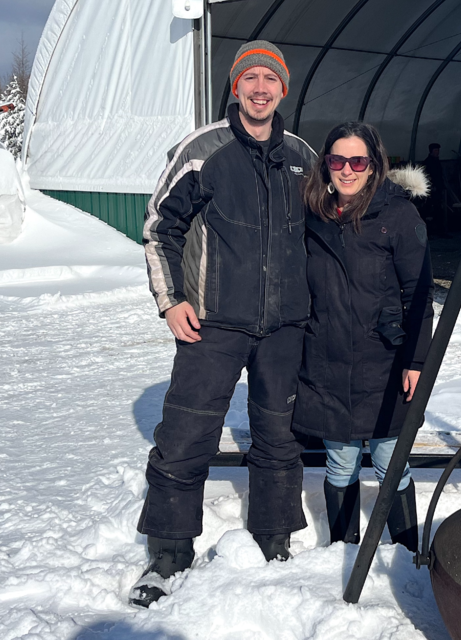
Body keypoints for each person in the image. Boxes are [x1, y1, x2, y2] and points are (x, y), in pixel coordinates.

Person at [132, 41, 316, 607]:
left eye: (271, 79)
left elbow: (327, 234)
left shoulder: (302, 155)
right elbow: (161, 227)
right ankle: (168, 552)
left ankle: (274, 536)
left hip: (285, 325)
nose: (261, 88)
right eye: (250, 78)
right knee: (186, 434)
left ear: (284, 89)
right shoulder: (202, 150)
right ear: (236, 87)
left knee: (279, 435)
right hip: (212, 322)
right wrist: (171, 301)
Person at [294, 122, 434, 551]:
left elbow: (420, 294)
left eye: (358, 161)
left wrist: (416, 360)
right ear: (326, 165)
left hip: (385, 360)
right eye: (338, 160)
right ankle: (343, 549)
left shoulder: (398, 215)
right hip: (328, 359)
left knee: (392, 459)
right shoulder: (312, 214)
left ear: (374, 167)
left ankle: (407, 549)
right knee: (340, 461)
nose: (347, 170)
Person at [421, 142, 446, 226]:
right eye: (435, 150)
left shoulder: (437, 161)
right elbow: (426, 176)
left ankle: (439, 229)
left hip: (438, 188)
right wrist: (431, 186)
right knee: (428, 208)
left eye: (438, 150)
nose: (437, 152)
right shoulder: (427, 162)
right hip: (431, 189)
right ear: (431, 151)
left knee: (438, 208)